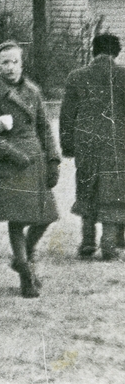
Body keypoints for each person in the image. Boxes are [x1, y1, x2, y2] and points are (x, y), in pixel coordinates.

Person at [0, 41, 60, 298]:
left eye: (15, 61)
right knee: (16, 221)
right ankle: (26, 274)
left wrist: (53, 160)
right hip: (8, 163)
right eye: (5, 62)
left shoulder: (33, 91)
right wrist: (1, 138)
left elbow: (45, 128)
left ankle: (21, 257)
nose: (11, 67)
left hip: (35, 159)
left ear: (22, 63)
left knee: (46, 216)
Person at [61, 33, 125, 260]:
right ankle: (109, 242)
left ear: (93, 51)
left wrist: (68, 145)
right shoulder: (123, 76)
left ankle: (87, 241)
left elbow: (67, 116)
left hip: (85, 143)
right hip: (117, 145)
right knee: (113, 191)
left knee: (87, 187)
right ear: (116, 53)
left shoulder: (76, 76)